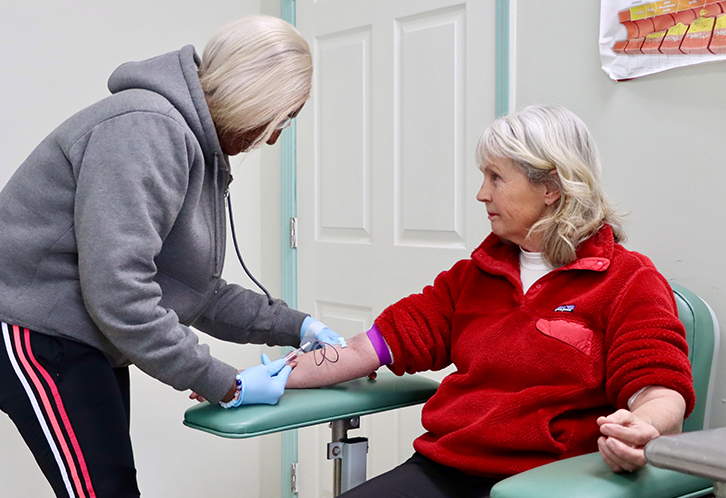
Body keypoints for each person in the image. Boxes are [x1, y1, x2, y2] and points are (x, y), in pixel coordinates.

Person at [0, 15, 344, 498]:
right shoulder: (148, 129)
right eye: (282, 118)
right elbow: (120, 292)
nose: (272, 137)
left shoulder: (190, 145)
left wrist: (298, 326)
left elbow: (193, 293)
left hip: (84, 335)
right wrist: (228, 384)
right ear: (256, 96)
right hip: (31, 332)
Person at [285, 104, 695, 498]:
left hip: (548, 480)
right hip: (446, 469)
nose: (482, 194)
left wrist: (640, 429)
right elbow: (368, 347)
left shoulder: (626, 280)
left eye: (496, 177)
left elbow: (661, 392)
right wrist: (256, 382)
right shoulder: (474, 276)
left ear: (551, 187)